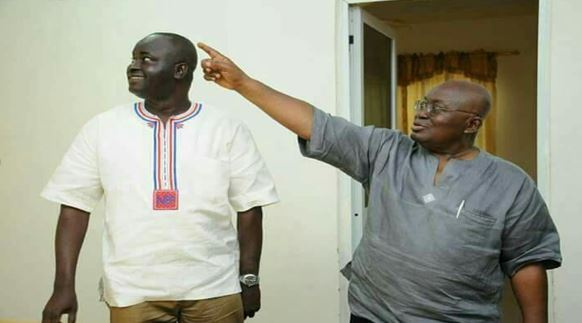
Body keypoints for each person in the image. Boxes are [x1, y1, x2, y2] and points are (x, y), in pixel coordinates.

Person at [196, 43, 561, 323]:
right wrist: (243, 84)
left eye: (437, 109)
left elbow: (527, 262)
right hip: (372, 315)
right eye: (423, 103)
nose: (421, 113)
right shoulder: (387, 150)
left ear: (471, 124)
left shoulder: (511, 183)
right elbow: (316, 124)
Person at [41, 33, 279, 323]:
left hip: (214, 288)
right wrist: (62, 286)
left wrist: (249, 278)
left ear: (180, 70)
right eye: (132, 58)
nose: (133, 66)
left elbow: (250, 207)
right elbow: (74, 206)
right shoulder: (103, 128)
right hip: (133, 292)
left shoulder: (225, 128)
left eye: (146, 59)